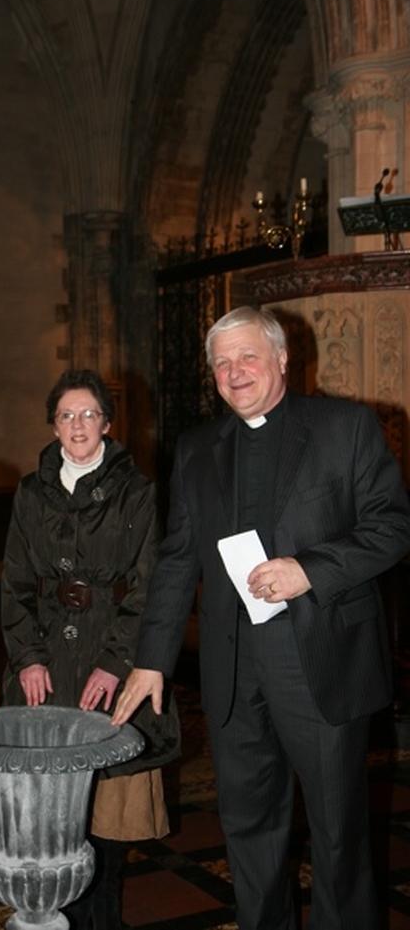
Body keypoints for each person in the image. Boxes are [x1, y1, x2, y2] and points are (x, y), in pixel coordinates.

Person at [112, 307, 410, 930]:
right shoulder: (197, 448)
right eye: (221, 363)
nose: (234, 372)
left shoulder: (344, 427)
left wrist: (311, 569)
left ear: (281, 359)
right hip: (235, 671)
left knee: (337, 839)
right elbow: (175, 562)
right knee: (249, 832)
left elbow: (392, 528)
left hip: (319, 663)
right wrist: (151, 660)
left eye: (247, 356)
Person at [1, 368, 179, 930]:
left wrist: (116, 663)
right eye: (66, 415)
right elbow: (15, 583)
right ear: (53, 425)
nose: (78, 425)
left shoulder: (138, 490)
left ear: (107, 421)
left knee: (105, 821)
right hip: (48, 664)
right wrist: (27, 657)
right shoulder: (32, 492)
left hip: (111, 661)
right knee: (48, 821)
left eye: (88, 414)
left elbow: (151, 585)